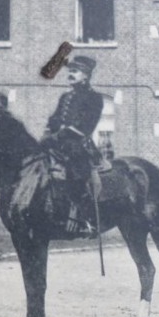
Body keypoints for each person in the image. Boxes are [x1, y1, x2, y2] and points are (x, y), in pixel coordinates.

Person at [42, 54, 106, 236]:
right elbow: (54, 119)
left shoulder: (94, 98)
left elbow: (86, 126)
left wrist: (62, 132)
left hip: (79, 145)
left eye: (75, 71)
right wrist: (50, 132)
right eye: (70, 70)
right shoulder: (65, 97)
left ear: (86, 75)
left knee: (78, 174)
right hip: (58, 142)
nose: (71, 73)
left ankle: (85, 220)